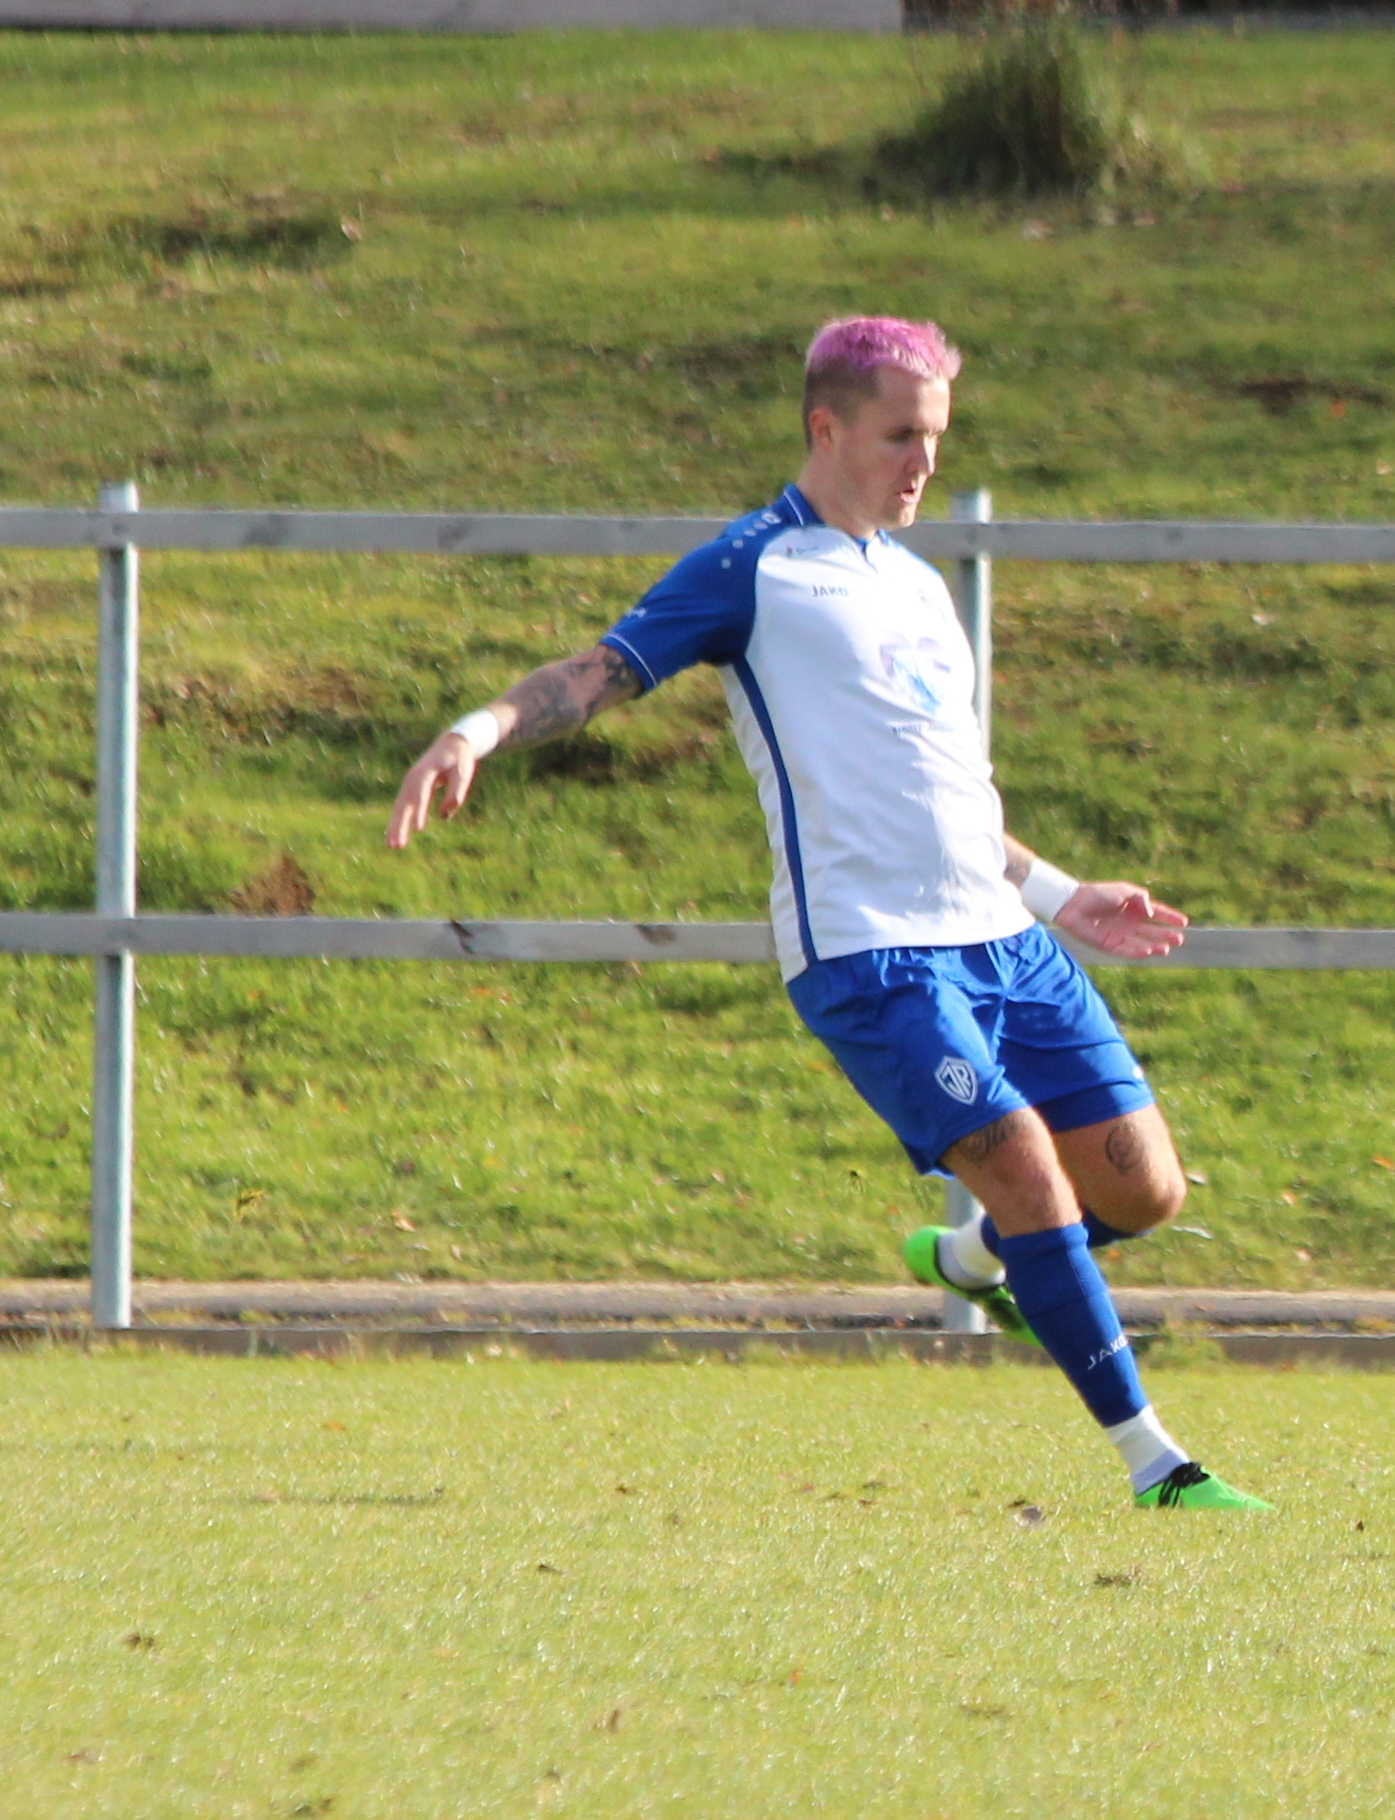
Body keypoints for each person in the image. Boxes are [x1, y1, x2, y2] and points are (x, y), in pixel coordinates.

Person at [385, 314, 1268, 1512]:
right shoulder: (751, 568)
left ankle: (976, 1261)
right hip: (874, 956)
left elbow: (946, 795)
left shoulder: (919, 585)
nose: (924, 462)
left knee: (1145, 1189)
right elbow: (594, 673)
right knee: (1024, 1168)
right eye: (901, 435)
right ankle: (1159, 1465)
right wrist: (476, 729)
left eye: (937, 436)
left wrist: (1064, 897)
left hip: (1004, 941)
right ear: (825, 428)